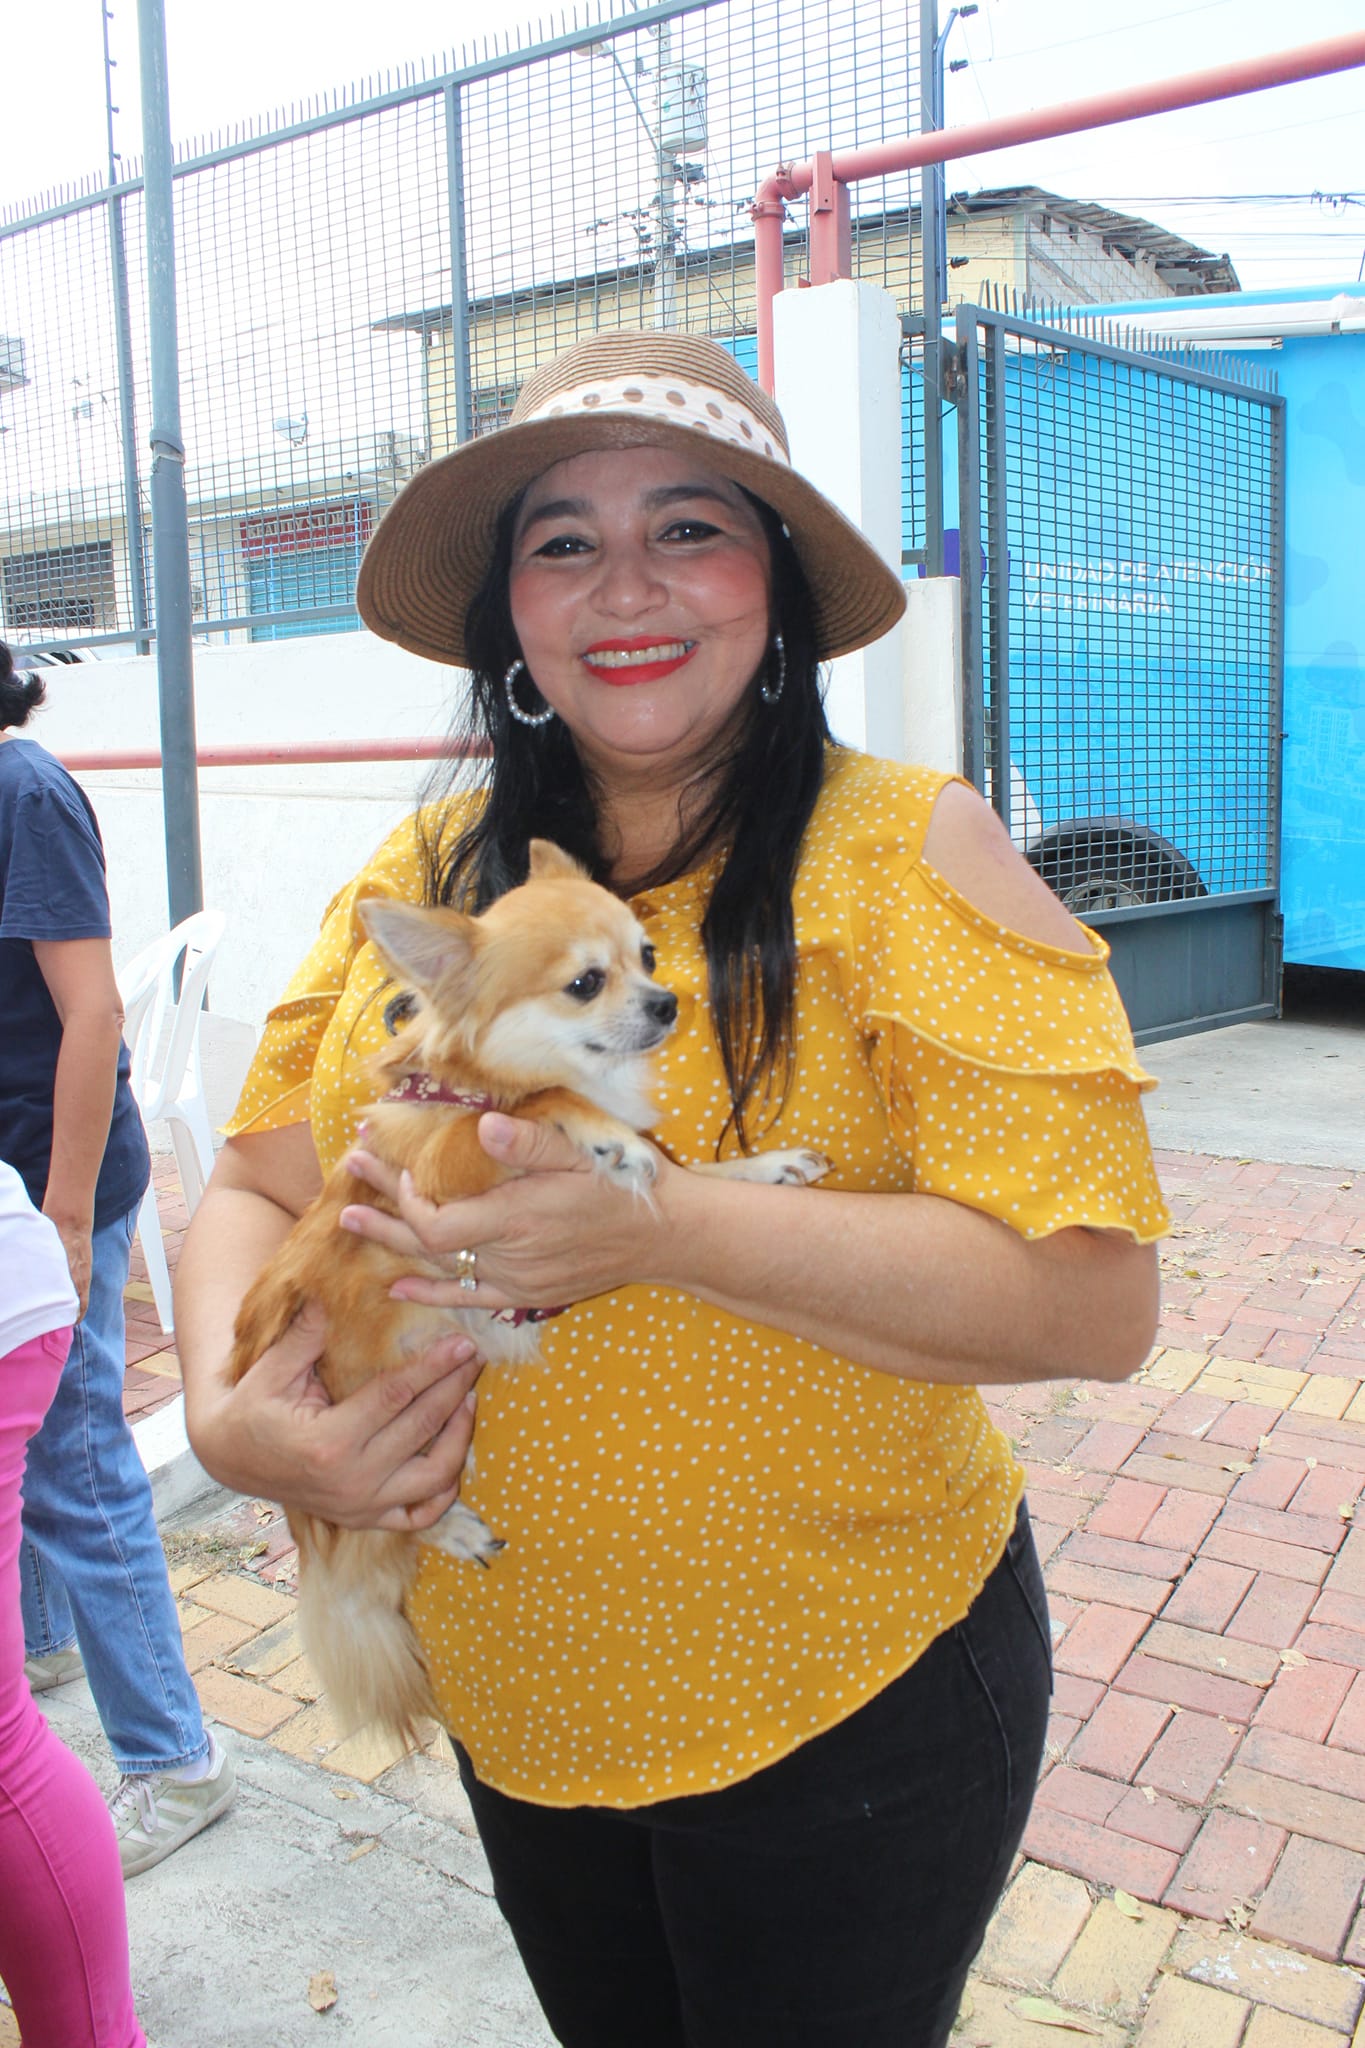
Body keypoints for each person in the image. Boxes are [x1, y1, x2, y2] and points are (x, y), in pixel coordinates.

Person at [176, 331, 1168, 2048]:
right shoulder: (427, 876)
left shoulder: (908, 845)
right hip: (519, 1696)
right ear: (508, 613)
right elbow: (253, 1185)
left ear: (775, 581)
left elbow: (1098, 1302)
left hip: (844, 1700)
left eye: (689, 527)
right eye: (562, 539)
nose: (623, 584)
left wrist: (665, 1224)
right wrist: (223, 1417)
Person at [0, 644, 235, 1878]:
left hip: (59, 1182)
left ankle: (176, 1759)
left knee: (82, 1464)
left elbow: (92, 1015)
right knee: (33, 1440)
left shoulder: (23, 788)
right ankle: (43, 1644)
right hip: (22, 1187)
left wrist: (64, 1214)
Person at [0, 1158, 147, 2047]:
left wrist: (70, 1214)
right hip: (30, 1258)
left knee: (88, 1499)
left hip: (36, 1264)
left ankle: (171, 1754)